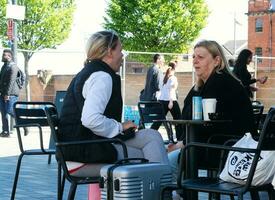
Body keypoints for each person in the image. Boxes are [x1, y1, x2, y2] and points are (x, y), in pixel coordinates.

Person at [58, 31, 169, 176]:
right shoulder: (102, 77)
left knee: (152, 136)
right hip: (81, 155)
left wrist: (120, 128)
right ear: (110, 52)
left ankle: (164, 190)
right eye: (120, 50)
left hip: (77, 148)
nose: (122, 55)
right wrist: (120, 126)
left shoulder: (89, 72)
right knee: (145, 156)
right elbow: (90, 119)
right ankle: (163, 191)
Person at [168, 40, 257, 184]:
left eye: (200, 57)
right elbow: (190, 117)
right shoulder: (203, 85)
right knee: (166, 153)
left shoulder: (221, 83)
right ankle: (180, 194)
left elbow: (213, 124)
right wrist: (182, 142)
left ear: (217, 61)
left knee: (169, 160)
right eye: (193, 57)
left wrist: (183, 143)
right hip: (217, 145)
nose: (195, 62)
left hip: (231, 149)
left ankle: (177, 194)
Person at [154, 61, 183, 139]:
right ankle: (179, 137)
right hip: (171, 100)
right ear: (175, 68)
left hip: (161, 101)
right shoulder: (173, 78)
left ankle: (149, 133)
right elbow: (171, 90)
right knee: (178, 119)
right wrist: (170, 102)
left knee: (159, 120)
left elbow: (161, 89)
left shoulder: (164, 76)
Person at [0, 49, 20, 137]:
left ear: (9, 56)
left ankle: (23, 123)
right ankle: (5, 131)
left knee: (10, 110)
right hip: (3, 93)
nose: (2, 56)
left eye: (4, 55)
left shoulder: (13, 67)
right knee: (3, 112)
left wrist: (7, 94)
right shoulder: (4, 66)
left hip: (11, 94)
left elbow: (11, 81)